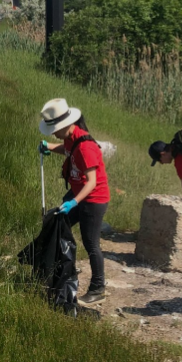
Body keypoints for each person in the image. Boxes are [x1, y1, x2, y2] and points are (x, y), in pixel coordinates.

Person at [38, 98, 110, 304]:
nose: (53, 133)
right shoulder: (71, 138)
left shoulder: (86, 147)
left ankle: (98, 288)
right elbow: (67, 150)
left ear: (67, 124)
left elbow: (92, 183)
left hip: (93, 200)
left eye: (55, 129)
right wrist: (50, 147)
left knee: (91, 243)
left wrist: (73, 203)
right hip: (79, 196)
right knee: (57, 223)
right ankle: (57, 270)